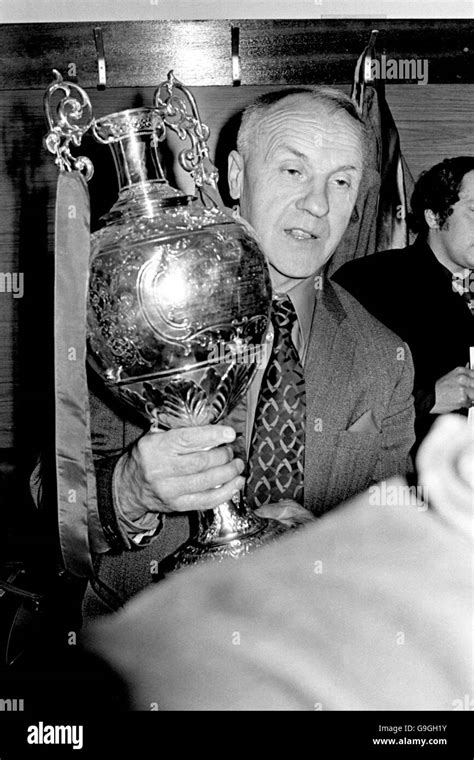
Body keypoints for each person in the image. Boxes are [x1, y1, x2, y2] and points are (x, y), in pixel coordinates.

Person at [79, 86, 416, 616]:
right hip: (144, 653)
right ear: (235, 175)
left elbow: (392, 527)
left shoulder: (384, 357)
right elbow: (44, 496)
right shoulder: (134, 311)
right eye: (292, 171)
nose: (318, 203)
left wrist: (326, 543)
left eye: (342, 181)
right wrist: (130, 490)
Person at [334, 157, 474, 449]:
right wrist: (427, 399)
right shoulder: (368, 282)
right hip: (402, 483)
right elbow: (333, 402)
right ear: (434, 217)